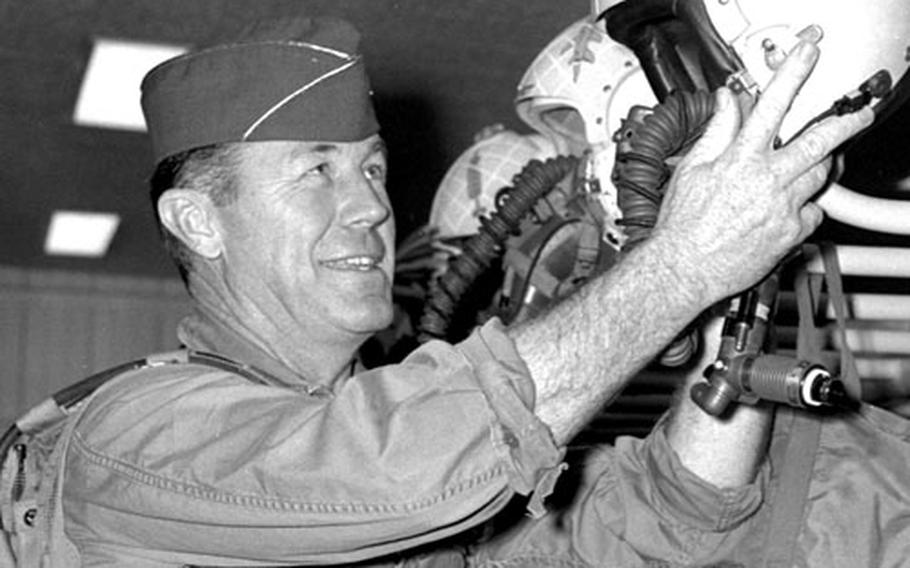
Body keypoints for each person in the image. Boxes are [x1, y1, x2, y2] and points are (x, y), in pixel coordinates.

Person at [44, 15, 869, 567]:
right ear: (198, 221)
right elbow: (394, 466)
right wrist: (684, 261)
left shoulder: (429, 489)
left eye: (372, 167)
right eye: (317, 172)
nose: (371, 205)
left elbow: (662, 520)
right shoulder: (136, 439)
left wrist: (738, 292)